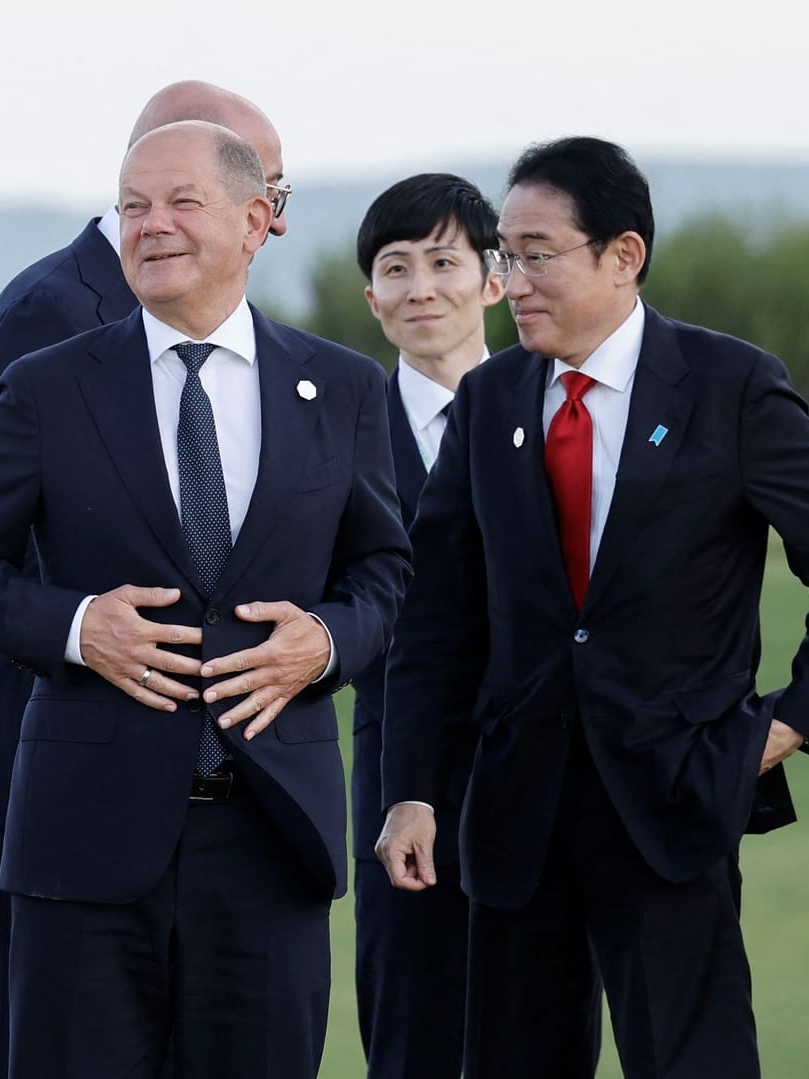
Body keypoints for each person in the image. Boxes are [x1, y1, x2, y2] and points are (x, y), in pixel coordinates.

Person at [375, 137, 809, 1079]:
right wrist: (412, 786)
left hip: (673, 799)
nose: (515, 279)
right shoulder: (492, 400)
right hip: (515, 815)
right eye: (507, 254)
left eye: (537, 253)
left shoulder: (729, 386)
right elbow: (438, 617)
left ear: (624, 256)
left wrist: (791, 722)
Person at [0, 121, 409, 1077]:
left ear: (258, 218)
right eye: (133, 204)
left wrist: (327, 640)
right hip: (84, 840)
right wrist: (74, 626)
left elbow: (386, 574)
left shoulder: (343, 388)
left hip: (273, 840)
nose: (151, 225)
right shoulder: (49, 386)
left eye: (182, 202)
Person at [0, 78, 291, 1079]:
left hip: (176, 770)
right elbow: (8, 546)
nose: (274, 221)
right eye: (263, 189)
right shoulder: (57, 309)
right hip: (46, 754)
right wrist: (86, 628)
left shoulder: (227, 333)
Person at [348, 173, 527, 1079]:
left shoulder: (556, 415)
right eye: (396, 267)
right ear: (372, 299)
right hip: (396, 780)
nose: (421, 286)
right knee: (411, 1032)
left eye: (444, 261)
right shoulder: (342, 434)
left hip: (543, 771)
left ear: (494, 278)